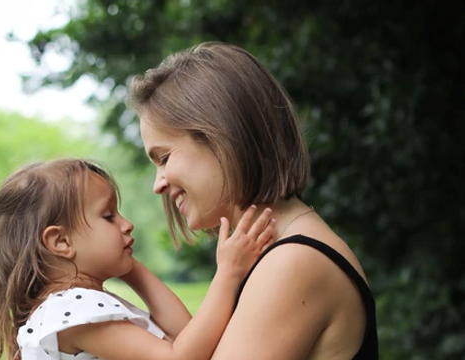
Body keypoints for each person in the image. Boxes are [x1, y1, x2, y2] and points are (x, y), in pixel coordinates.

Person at [129, 41, 379, 360]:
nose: (158, 185)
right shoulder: (282, 252)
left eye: (163, 158)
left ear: (221, 139)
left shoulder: (293, 263)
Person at [0, 158, 277, 360]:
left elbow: (185, 335)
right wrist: (228, 273)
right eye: (108, 216)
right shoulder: (72, 309)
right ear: (61, 241)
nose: (126, 224)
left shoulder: (73, 306)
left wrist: (132, 269)